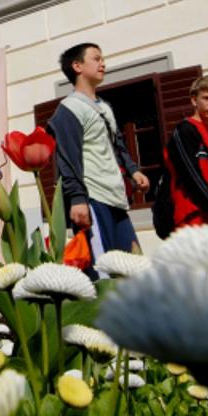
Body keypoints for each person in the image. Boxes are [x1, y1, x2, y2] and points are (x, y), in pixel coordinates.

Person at [46, 43, 149, 262]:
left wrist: (133, 171)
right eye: (96, 58)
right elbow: (67, 158)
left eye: (103, 59)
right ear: (77, 66)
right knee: (101, 273)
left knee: (132, 266)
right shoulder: (68, 109)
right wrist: (77, 199)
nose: (103, 63)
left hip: (116, 199)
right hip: (92, 200)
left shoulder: (105, 107)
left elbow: (117, 144)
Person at [165, 75, 208, 230]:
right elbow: (191, 177)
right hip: (194, 219)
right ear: (194, 100)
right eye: (207, 98)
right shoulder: (185, 130)